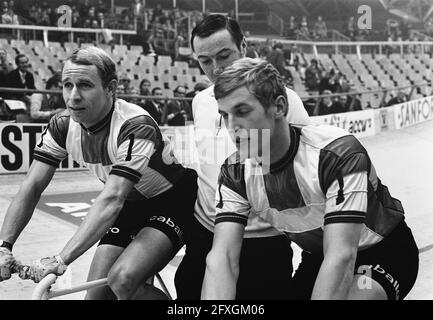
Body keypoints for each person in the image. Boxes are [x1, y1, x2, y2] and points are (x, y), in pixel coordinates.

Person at [202, 57, 419, 300]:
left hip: (381, 254)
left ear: (279, 107)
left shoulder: (336, 153)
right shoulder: (234, 172)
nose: (233, 127)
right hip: (319, 257)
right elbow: (223, 258)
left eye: (242, 111)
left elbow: (342, 256)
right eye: (225, 115)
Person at [0, 47, 198, 300]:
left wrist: (61, 259)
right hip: (130, 204)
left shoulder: (135, 125)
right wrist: (4, 246)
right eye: (67, 84)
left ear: (110, 88)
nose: (73, 96)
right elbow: (32, 186)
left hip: (172, 201)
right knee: (95, 297)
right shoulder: (62, 125)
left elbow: (112, 197)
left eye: (84, 85)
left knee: (123, 280)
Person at [174, 14, 310, 300]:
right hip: (205, 233)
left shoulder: (286, 101)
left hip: (263, 241)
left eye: (224, 55)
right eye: (205, 61)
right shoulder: (200, 102)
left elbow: (304, 170)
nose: (216, 68)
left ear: (244, 46)